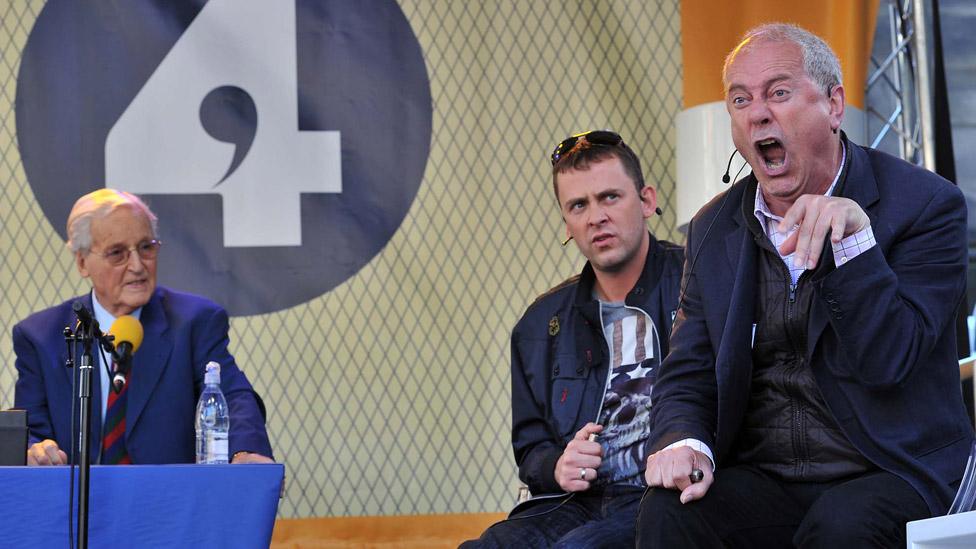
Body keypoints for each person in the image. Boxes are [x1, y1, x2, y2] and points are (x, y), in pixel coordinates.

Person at [637, 23, 975, 548]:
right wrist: (683, 439)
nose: (757, 113)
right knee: (670, 512)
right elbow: (690, 369)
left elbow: (893, 359)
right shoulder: (714, 228)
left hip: (890, 467)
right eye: (740, 100)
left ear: (834, 105)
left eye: (778, 92)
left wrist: (855, 246)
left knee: (842, 528)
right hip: (768, 475)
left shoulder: (926, 206)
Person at [463, 131, 683, 547]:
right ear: (567, 224)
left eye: (610, 197)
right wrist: (559, 465)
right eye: (579, 205)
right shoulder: (539, 326)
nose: (595, 216)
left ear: (647, 201)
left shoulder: (696, 285)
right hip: (579, 502)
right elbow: (531, 449)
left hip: (668, 500)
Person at [13, 189, 274, 465]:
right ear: (82, 262)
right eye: (117, 253)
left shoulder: (194, 322)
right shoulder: (40, 337)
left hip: (167, 500)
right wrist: (34, 451)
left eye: (146, 247)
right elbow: (30, 432)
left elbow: (232, 395)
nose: (138, 266)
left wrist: (245, 452)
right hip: (78, 503)